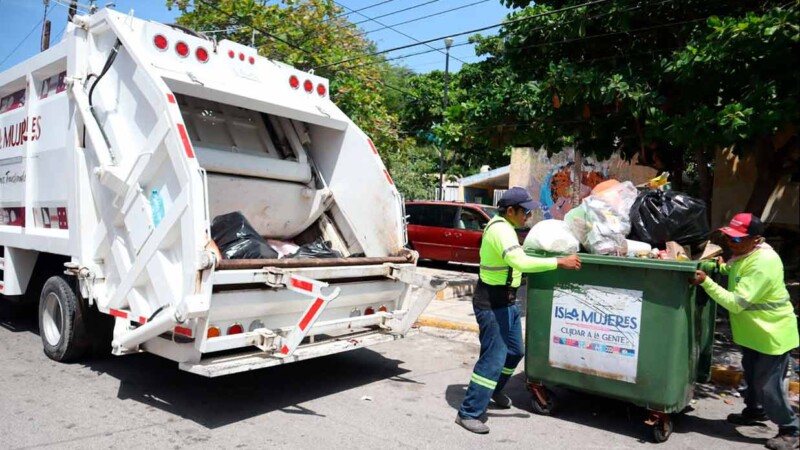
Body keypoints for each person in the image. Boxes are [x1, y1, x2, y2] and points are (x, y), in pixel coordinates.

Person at [456, 186, 582, 434]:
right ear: (511, 210)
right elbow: (519, 261)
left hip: (508, 302)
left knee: (515, 352)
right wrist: (559, 262)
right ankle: (469, 412)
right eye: (525, 211)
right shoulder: (500, 230)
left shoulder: (508, 228)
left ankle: (493, 390)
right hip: (492, 303)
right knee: (493, 359)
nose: (528, 216)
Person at [691, 213, 799, 450]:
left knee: (769, 385)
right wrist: (718, 267)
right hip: (753, 334)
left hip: (772, 335)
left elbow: (736, 303)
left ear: (756, 239)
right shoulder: (745, 255)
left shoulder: (764, 263)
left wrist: (707, 282)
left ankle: (791, 429)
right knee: (752, 377)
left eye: (738, 239)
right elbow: (735, 271)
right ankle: (754, 411)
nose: (732, 243)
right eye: (730, 238)